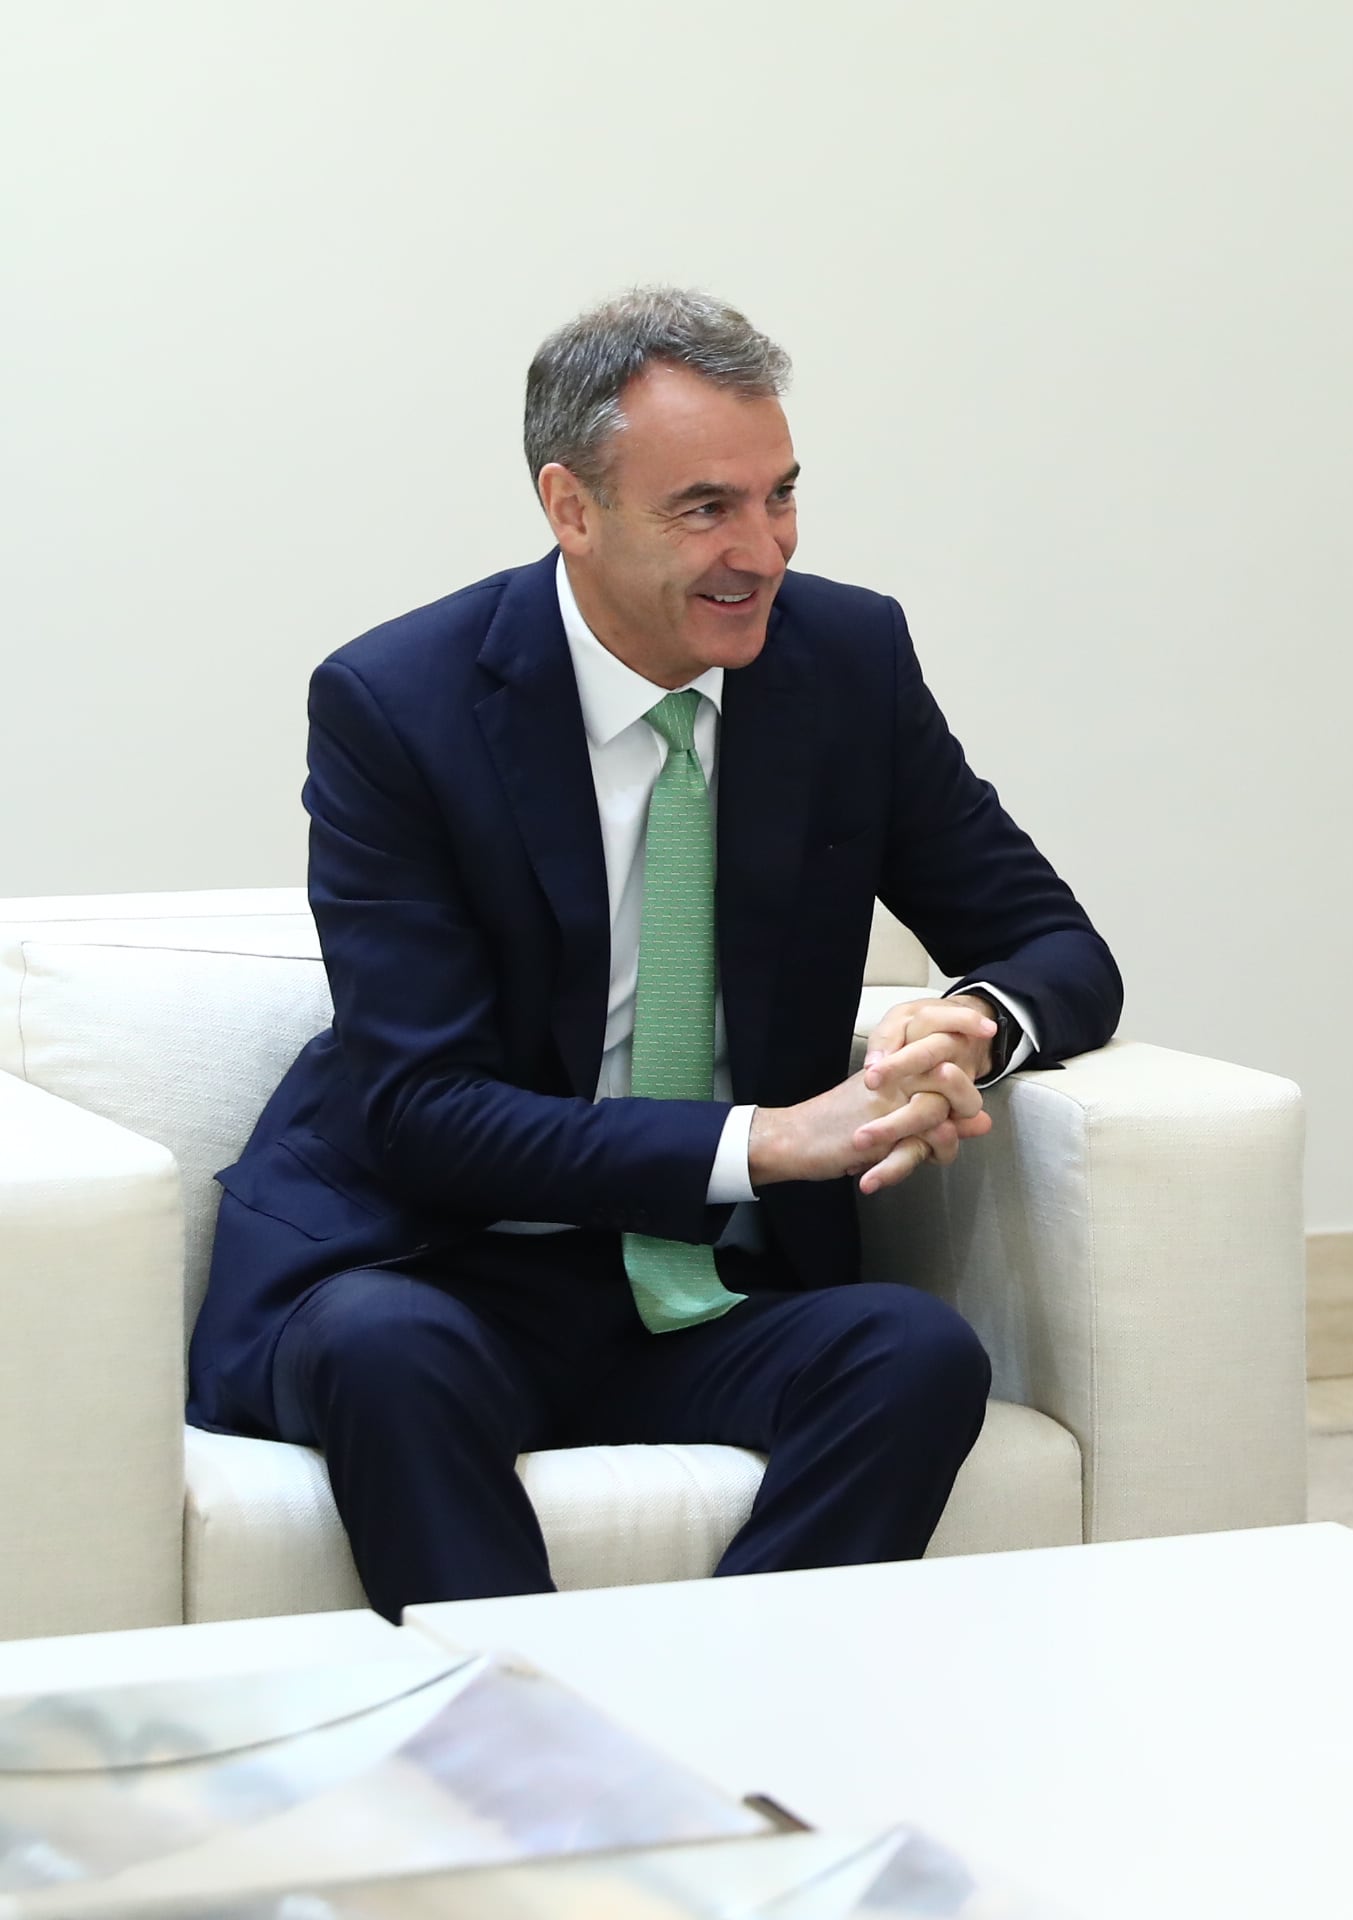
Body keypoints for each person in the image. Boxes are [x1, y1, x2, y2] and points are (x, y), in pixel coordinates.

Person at [190, 287, 1122, 1619]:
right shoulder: (400, 705)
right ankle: (543, 1770)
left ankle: (720, 1722)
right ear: (572, 509)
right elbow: (420, 1111)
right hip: (436, 1266)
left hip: (711, 1293)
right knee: (380, 1348)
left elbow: (1052, 945)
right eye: (707, 509)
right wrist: (766, 1143)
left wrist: (977, 1020)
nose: (765, 550)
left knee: (913, 1352)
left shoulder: (844, 663)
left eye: (781, 496)